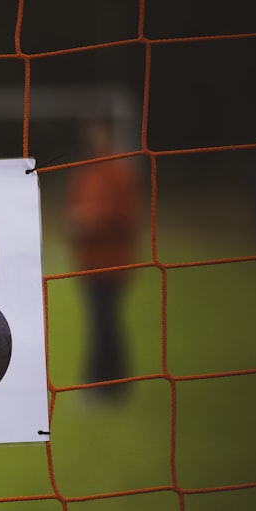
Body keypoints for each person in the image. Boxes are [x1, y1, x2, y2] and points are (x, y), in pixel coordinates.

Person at [66, 116, 144, 402]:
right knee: (100, 323)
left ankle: (106, 386)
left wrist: (91, 222)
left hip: (113, 262)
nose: (91, 135)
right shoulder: (86, 170)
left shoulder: (119, 171)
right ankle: (106, 384)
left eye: (96, 129)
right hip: (88, 262)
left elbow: (127, 216)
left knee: (105, 324)